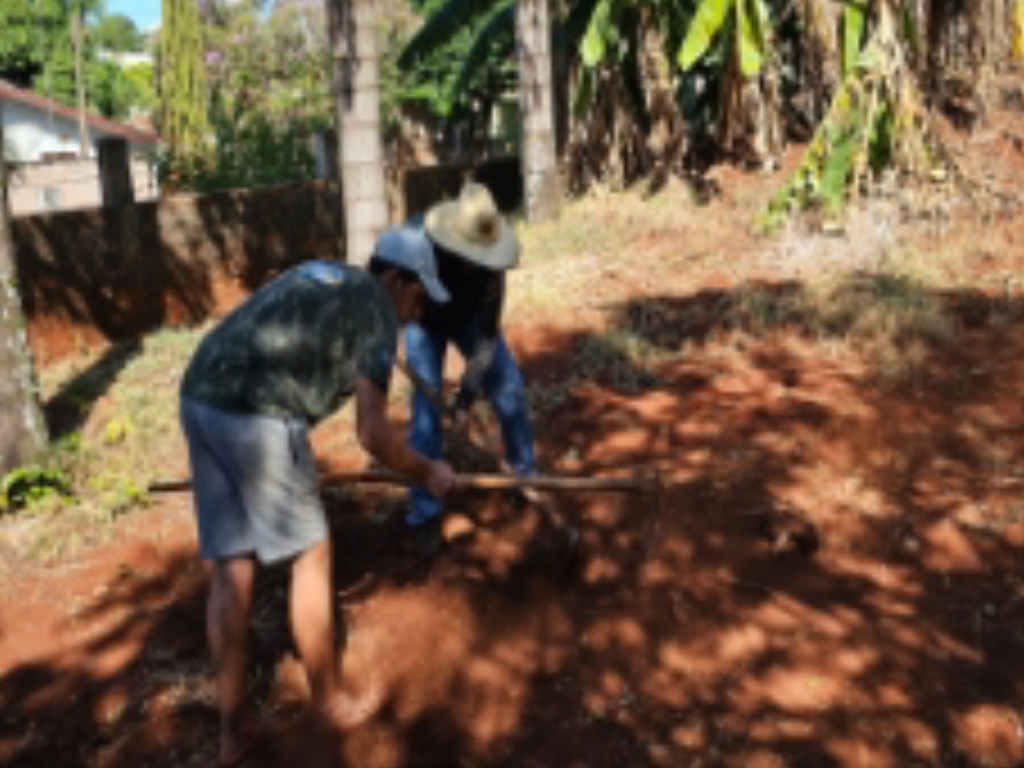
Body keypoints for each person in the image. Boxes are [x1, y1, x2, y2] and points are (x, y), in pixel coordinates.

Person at [178, 227, 458, 768]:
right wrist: (428, 472)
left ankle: (232, 731)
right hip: (255, 414)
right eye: (419, 298)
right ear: (396, 280)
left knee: (232, 568)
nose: (418, 312)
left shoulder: (333, 273)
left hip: (200, 394)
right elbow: (373, 435)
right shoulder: (377, 312)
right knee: (312, 553)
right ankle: (328, 698)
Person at [405, 182, 535, 555]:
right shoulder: (420, 247)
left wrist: (465, 399)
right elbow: (393, 291)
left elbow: (486, 340)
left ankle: (524, 478)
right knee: (425, 416)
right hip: (422, 318)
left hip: (468, 321)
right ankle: (426, 513)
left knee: (509, 389)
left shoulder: (491, 270)